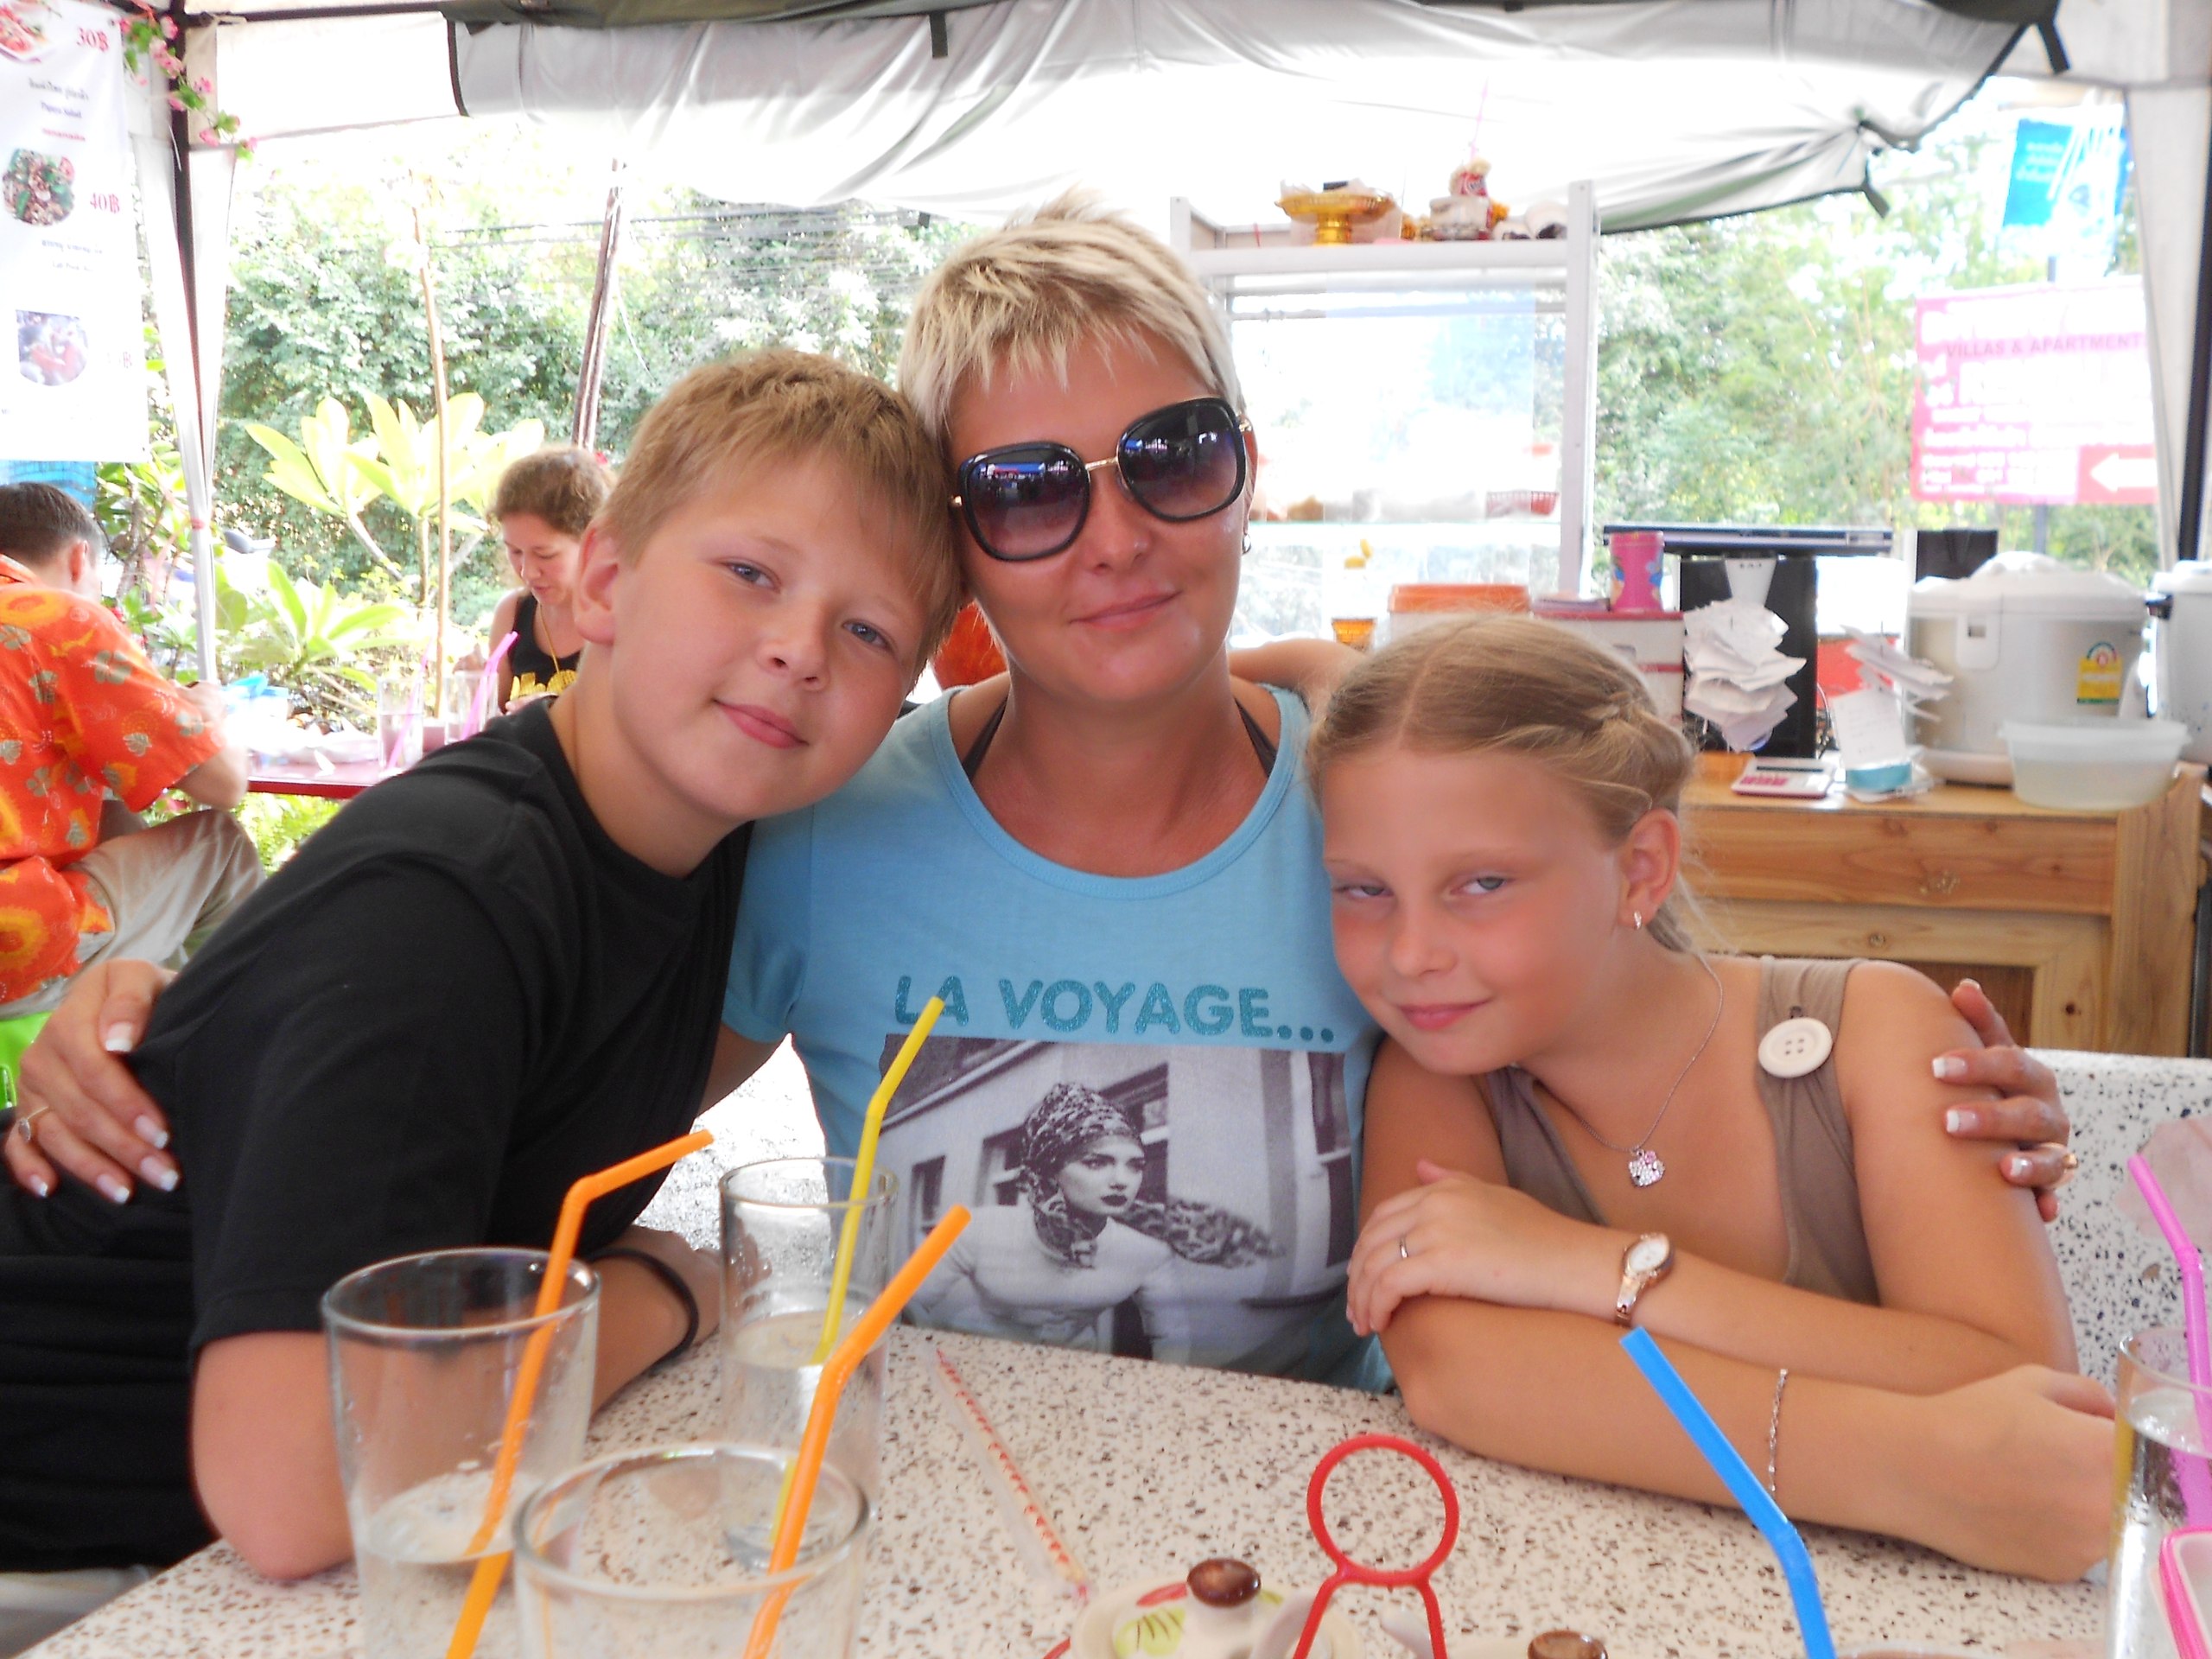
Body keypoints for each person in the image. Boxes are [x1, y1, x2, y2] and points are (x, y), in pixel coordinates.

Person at [9, 203, 2078, 1374]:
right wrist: (194, 1020)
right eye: (1021, 489)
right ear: (956, 553)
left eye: (1169, 458)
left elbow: (1640, 1025)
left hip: (1317, 1526)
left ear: (1244, 476)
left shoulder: (1370, 821)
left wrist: (1906, 1079)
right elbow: (530, 1091)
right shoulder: (819, 824)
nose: (1109, 537)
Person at [0, 350, 963, 1580]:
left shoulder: (726, 851)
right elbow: (303, 1495)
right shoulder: (448, 900)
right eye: (750, 574)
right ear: (602, 582)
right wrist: (659, 1290)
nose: (800, 649)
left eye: (869, 631)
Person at [1319, 616, 2110, 1581]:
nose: (1410, 955)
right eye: (1362, 890)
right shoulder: (1436, 1074)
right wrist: (1910, 1464)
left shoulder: (1879, 1031)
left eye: (1482, 882)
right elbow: (1459, 1373)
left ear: (1640, 868)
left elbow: (2026, 1393)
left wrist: (1592, 1268)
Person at [0, 483, 257, 1026]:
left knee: (112, 813)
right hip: (14, 941)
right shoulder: (55, 619)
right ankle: (228, 1044)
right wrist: (206, 712)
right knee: (219, 845)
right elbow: (224, 783)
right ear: (80, 560)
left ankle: (143, 1037)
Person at [912, 1080, 1278, 1351]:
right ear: (1050, 1171)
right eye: (1096, 1162)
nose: (1122, 1180)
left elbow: (1172, 1335)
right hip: (977, 1372)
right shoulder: (972, 1227)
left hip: (1074, 1383)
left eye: (1135, 1165)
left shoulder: (1148, 1251)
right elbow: (909, 1303)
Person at [477, 445, 608, 709]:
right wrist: (476, 689)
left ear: (592, 543)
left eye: (545, 555)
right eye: (515, 551)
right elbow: (493, 719)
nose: (527, 571)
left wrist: (549, 713)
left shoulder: (621, 620)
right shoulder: (513, 614)